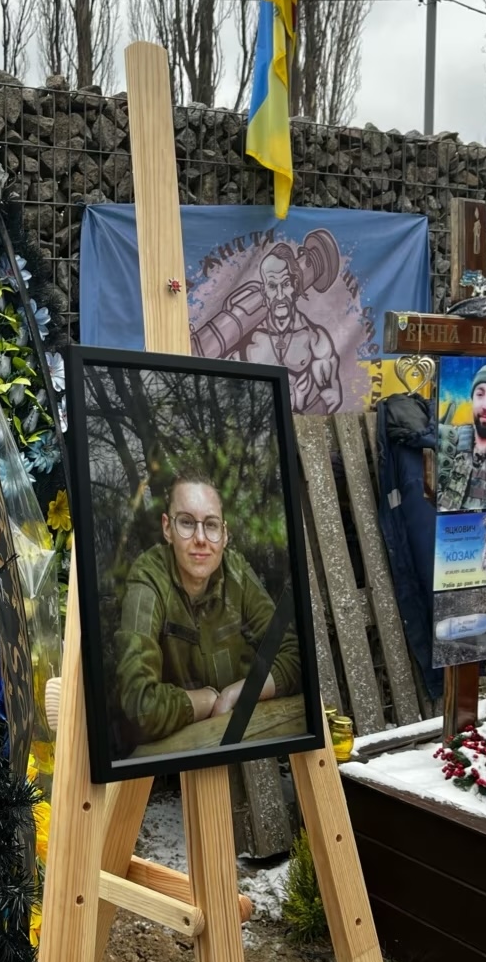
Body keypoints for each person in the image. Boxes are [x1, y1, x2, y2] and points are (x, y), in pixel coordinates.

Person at [111, 473, 301, 748]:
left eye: (211, 525)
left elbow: (294, 656)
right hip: (170, 766)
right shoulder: (149, 577)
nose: (200, 538)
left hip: (242, 746)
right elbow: (141, 704)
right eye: (187, 523)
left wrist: (236, 694)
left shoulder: (235, 572)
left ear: (224, 535)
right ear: (167, 528)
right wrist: (208, 698)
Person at [243, 243, 342, 414]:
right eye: (273, 286)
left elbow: (332, 396)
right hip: (257, 434)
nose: (280, 295)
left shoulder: (315, 339)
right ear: (264, 290)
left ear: (296, 285)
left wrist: (299, 428)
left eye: (286, 283)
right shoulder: (246, 343)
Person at [438, 362, 486, 511]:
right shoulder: (453, 438)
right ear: (472, 400)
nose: (485, 404)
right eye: (479, 394)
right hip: (448, 528)